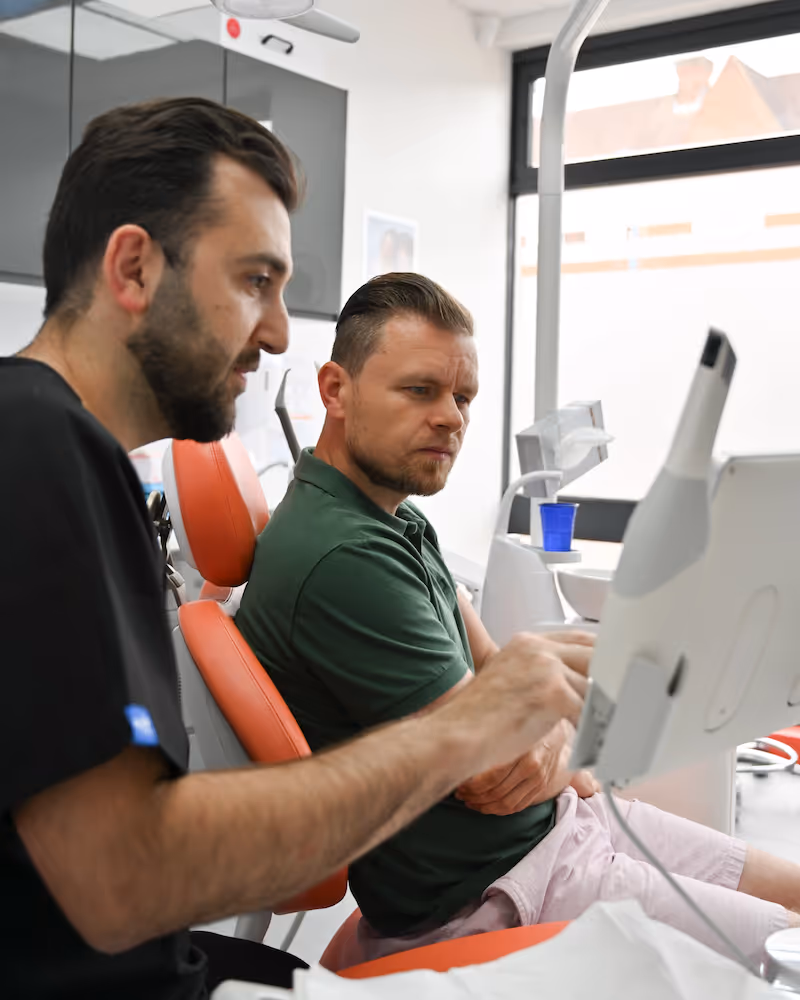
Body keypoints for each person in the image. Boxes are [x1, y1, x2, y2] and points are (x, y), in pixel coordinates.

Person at [0, 97, 593, 999]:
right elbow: (122, 879)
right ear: (133, 269)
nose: (277, 329)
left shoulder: (79, 461)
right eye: (253, 282)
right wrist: (462, 730)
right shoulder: (36, 451)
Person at [237, 271, 800, 969]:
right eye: (421, 390)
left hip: (564, 826)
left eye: (462, 396)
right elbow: (493, 767)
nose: (452, 417)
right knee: (787, 945)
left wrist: (552, 740)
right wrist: (562, 738)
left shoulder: (395, 520)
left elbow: (502, 677)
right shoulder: (342, 556)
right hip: (505, 886)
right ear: (335, 391)